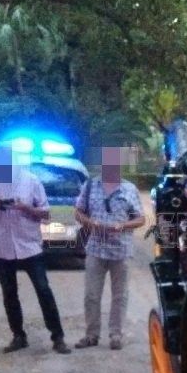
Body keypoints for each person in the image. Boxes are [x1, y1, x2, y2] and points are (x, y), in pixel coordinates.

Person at [0, 145, 71, 354]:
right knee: (9, 293)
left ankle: (58, 336)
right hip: (3, 247)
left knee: (43, 290)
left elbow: (45, 213)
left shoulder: (30, 181)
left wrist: (25, 208)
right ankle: (18, 336)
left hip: (29, 245)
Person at [73, 145, 145, 350]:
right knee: (91, 295)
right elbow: (78, 212)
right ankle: (91, 335)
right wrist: (90, 223)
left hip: (121, 250)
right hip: (96, 248)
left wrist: (123, 226)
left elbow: (141, 219)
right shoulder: (90, 186)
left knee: (120, 295)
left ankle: (116, 335)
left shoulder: (129, 189)